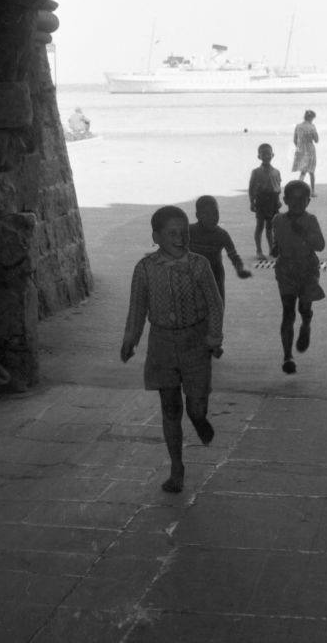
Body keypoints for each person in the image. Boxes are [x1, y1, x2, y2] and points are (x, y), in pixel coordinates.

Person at [120, 206, 224, 494]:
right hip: (162, 345)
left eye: (184, 233)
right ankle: (176, 466)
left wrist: (214, 338)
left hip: (195, 342)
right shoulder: (144, 270)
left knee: (196, 405)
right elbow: (137, 308)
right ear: (156, 237)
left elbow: (215, 304)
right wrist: (131, 338)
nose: (180, 239)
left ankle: (199, 418)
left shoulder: (200, 265)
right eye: (172, 234)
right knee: (170, 407)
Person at [271, 180, 325, 375]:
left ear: (308, 202)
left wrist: (305, 234)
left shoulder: (311, 221)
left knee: (304, 307)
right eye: (292, 200)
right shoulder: (278, 220)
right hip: (286, 270)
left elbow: (320, 245)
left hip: (307, 270)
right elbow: (277, 242)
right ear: (285, 200)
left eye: (301, 200)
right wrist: (276, 248)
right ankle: (287, 356)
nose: (296, 204)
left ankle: (306, 324)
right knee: (287, 312)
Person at [189, 195, 252, 301]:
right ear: (197, 215)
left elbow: (233, 255)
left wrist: (240, 269)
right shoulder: (188, 231)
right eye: (207, 214)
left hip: (215, 277)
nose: (212, 217)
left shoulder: (222, 235)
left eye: (215, 213)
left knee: (217, 306)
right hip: (192, 277)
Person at [248, 144, 282, 260]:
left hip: (273, 202)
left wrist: (278, 201)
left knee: (271, 227)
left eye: (268, 153)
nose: (266, 156)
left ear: (273, 155)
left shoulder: (276, 172)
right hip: (261, 201)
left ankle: (271, 249)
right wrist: (252, 202)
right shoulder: (256, 172)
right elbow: (251, 188)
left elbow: (277, 188)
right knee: (260, 226)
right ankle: (259, 250)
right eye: (263, 153)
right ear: (259, 156)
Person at [292, 109, 319, 196]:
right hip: (310, 149)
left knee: (303, 171)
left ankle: (298, 190)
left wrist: (299, 147)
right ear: (311, 118)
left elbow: (295, 140)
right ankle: (313, 191)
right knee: (311, 171)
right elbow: (316, 140)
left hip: (300, 150)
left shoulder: (298, 126)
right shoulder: (312, 126)